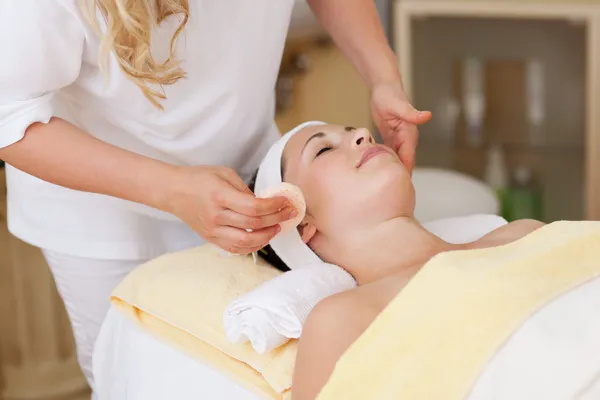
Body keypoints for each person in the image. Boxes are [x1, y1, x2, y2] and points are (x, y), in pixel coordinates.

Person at [0, 0, 432, 392]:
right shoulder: (334, 323)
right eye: (322, 147)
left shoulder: (492, 241)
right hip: (102, 207)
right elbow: (8, 116)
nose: (360, 133)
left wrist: (383, 77)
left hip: (241, 176)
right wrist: (171, 188)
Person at [249, 123, 546, 400]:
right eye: (324, 150)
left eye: (355, 131)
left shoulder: (524, 235)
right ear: (300, 222)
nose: (364, 133)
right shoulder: (341, 321)